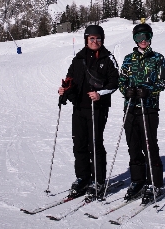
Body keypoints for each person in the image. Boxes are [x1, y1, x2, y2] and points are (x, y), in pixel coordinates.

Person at [58, 25, 119, 200]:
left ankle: (98, 180)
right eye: (91, 38)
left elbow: (115, 82)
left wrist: (100, 94)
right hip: (79, 107)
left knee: (95, 144)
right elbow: (70, 79)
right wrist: (64, 89)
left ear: (102, 40)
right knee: (79, 145)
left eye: (98, 38)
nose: (95, 41)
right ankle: (83, 178)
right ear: (86, 39)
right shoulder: (78, 58)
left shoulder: (108, 58)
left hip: (97, 108)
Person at [118, 23, 165, 204]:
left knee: (149, 145)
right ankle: (138, 180)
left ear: (150, 37)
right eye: (139, 38)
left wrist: (148, 91)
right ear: (135, 40)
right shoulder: (128, 59)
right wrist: (127, 91)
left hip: (149, 108)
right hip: (130, 108)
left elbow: (163, 82)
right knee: (133, 146)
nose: (143, 41)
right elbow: (121, 81)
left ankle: (155, 182)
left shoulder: (157, 58)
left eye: (146, 37)